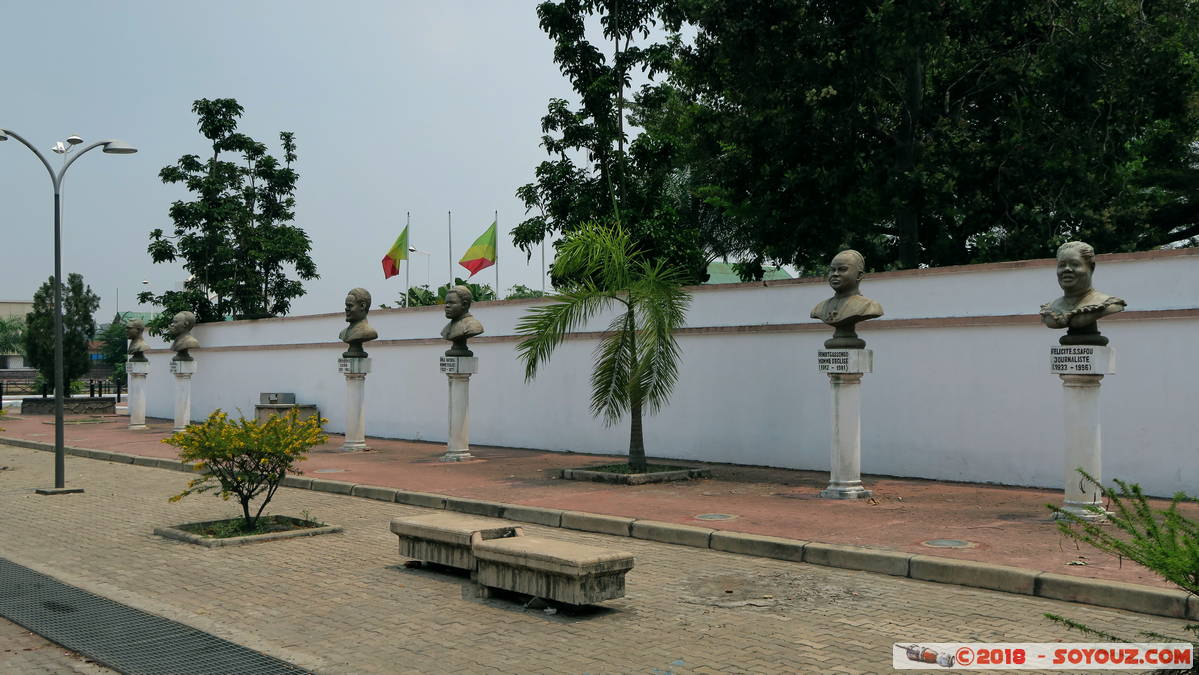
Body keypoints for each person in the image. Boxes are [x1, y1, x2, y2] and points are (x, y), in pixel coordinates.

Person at [1040, 241, 1125, 345]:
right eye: (1062, 265)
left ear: (1091, 267)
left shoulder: (1108, 304)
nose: (1067, 269)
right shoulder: (1050, 310)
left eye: (1075, 264)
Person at [810, 249, 884, 348]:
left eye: (842, 269)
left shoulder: (869, 306)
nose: (835, 274)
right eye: (832, 270)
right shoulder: (819, 308)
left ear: (859, 275)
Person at [441, 285, 484, 356]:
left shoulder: (472, 326)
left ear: (464, 304)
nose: (447, 306)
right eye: (446, 303)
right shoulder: (446, 329)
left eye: (451, 303)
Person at [339, 287, 378, 358]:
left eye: (350, 306)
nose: (346, 309)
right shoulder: (343, 333)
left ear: (362, 306)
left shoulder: (369, 332)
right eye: (346, 306)